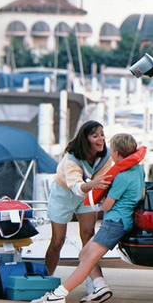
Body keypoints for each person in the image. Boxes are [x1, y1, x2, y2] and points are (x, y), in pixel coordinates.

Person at [31, 133, 145, 303]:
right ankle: (100, 287)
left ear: (117, 154)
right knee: (83, 254)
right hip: (122, 220)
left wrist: (99, 202)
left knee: (89, 259)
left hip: (115, 222)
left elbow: (107, 206)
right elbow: (142, 194)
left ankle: (59, 295)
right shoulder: (138, 169)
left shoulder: (121, 176)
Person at [45, 120, 112, 280]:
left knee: (88, 236)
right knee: (57, 241)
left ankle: (92, 281)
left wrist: (101, 192)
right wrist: (93, 184)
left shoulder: (106, 156)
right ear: (85, 139)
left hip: (89, 193)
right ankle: (46, 278)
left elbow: (103, 180)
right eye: (95, 136)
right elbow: (76, 187)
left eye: (102, 134)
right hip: (64, 194)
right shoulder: (72, 159)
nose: (101, 139)